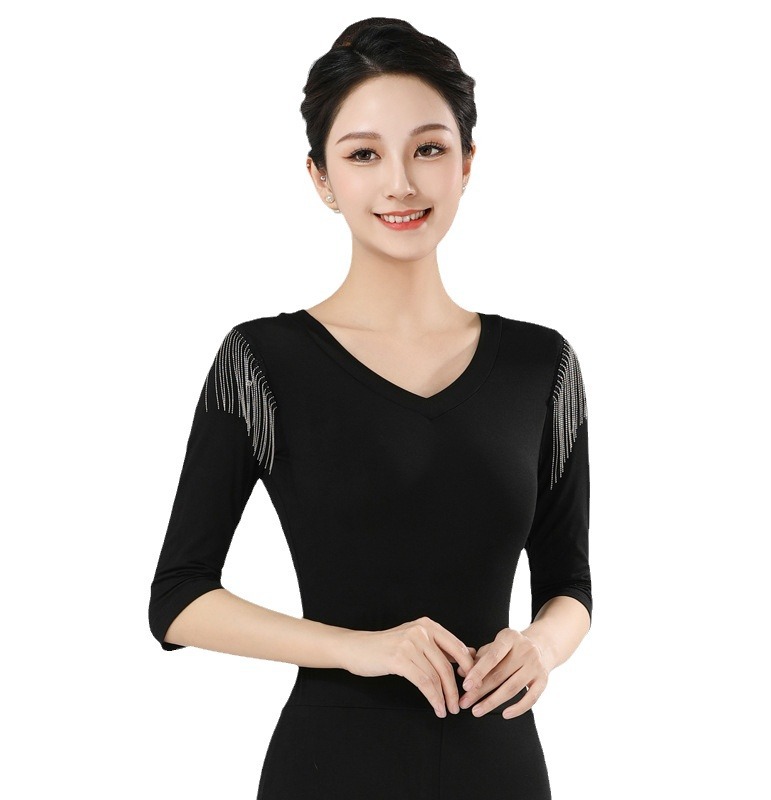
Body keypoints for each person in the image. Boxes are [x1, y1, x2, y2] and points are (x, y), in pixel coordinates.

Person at [148, 17, 592, 799]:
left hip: (500, 766)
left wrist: (542, 648)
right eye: (363, 155)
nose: (401, 183)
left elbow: (570, 583)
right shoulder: (261, 362)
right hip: (330, 766)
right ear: (321, 178)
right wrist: (361, 648)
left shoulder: (541, 365)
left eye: (429, 149)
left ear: (467, 163)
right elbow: (178, 597)